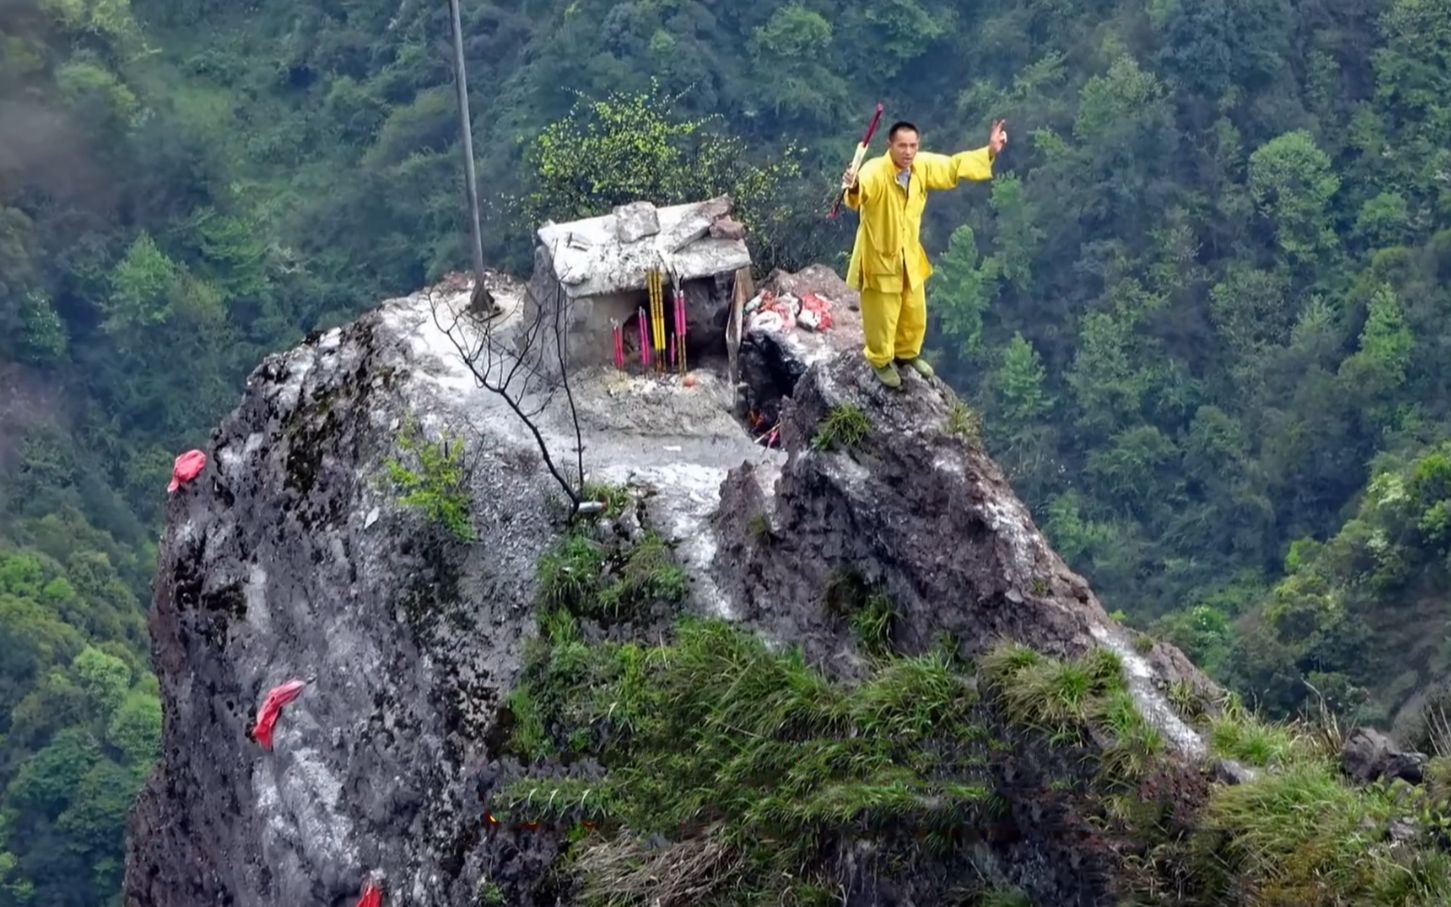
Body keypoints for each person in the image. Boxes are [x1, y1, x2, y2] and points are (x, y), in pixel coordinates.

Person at [841, 119, 1008, 387]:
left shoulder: (921, 166)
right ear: (890, 145)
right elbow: (862, 187)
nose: (908, 152)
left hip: (908, 253)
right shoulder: (876, 170)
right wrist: (854, 183)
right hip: (878, 256)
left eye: (913, 146)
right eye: (902, 146)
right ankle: (880, 359)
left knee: (914, 309)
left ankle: (906, 354)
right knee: (881, 315)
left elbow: (953, 167)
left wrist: (989, 150)